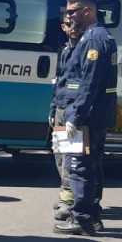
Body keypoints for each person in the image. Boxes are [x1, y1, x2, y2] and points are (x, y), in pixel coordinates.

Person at [53, 0, 118, 236]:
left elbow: (89, 83)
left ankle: (81, 219)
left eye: (72, 12)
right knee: (88, 165)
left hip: (87, 117)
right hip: (91, 114)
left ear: (87, 11)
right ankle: (92, 216)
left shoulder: (93, 39)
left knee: (79, 166)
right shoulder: (89, 38)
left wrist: (75, 116)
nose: (69, 17)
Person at [50, 15, 81, 222]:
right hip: (61, 107)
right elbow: (59, 81)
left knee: (71, 158)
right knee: (60, 156)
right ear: (63, 27)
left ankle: (69, 203)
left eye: (75, 24)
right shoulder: (65, 50)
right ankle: (66, 196)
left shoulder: (84, 49)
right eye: (68, 24)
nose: (72, 28)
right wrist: (53, 109)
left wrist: (74, 112)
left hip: (73, 110)